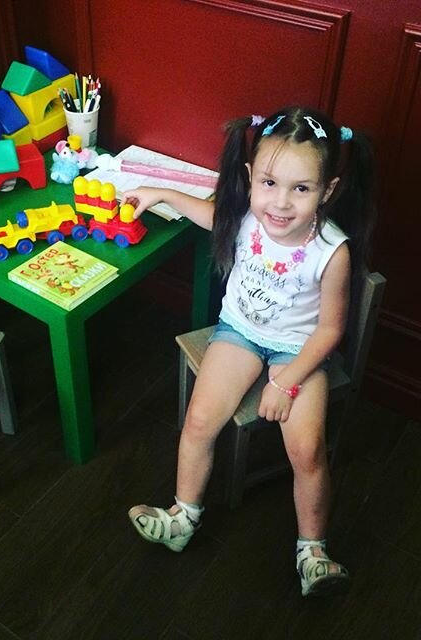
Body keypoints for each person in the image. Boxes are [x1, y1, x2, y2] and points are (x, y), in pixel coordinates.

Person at [122, 106, 375, 597]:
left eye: (301, 189)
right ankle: (182, 517)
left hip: (299, 350)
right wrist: (160, 193)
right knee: (199, 421)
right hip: (240, 331)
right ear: (250, 177)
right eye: (269, 183)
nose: (280, 203)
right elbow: (207, 214)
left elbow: (330, 331)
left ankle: (313, 552)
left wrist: (287, 382)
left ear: (328, 190)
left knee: (307, 449)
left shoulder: (332, 251)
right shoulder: (245, 217)